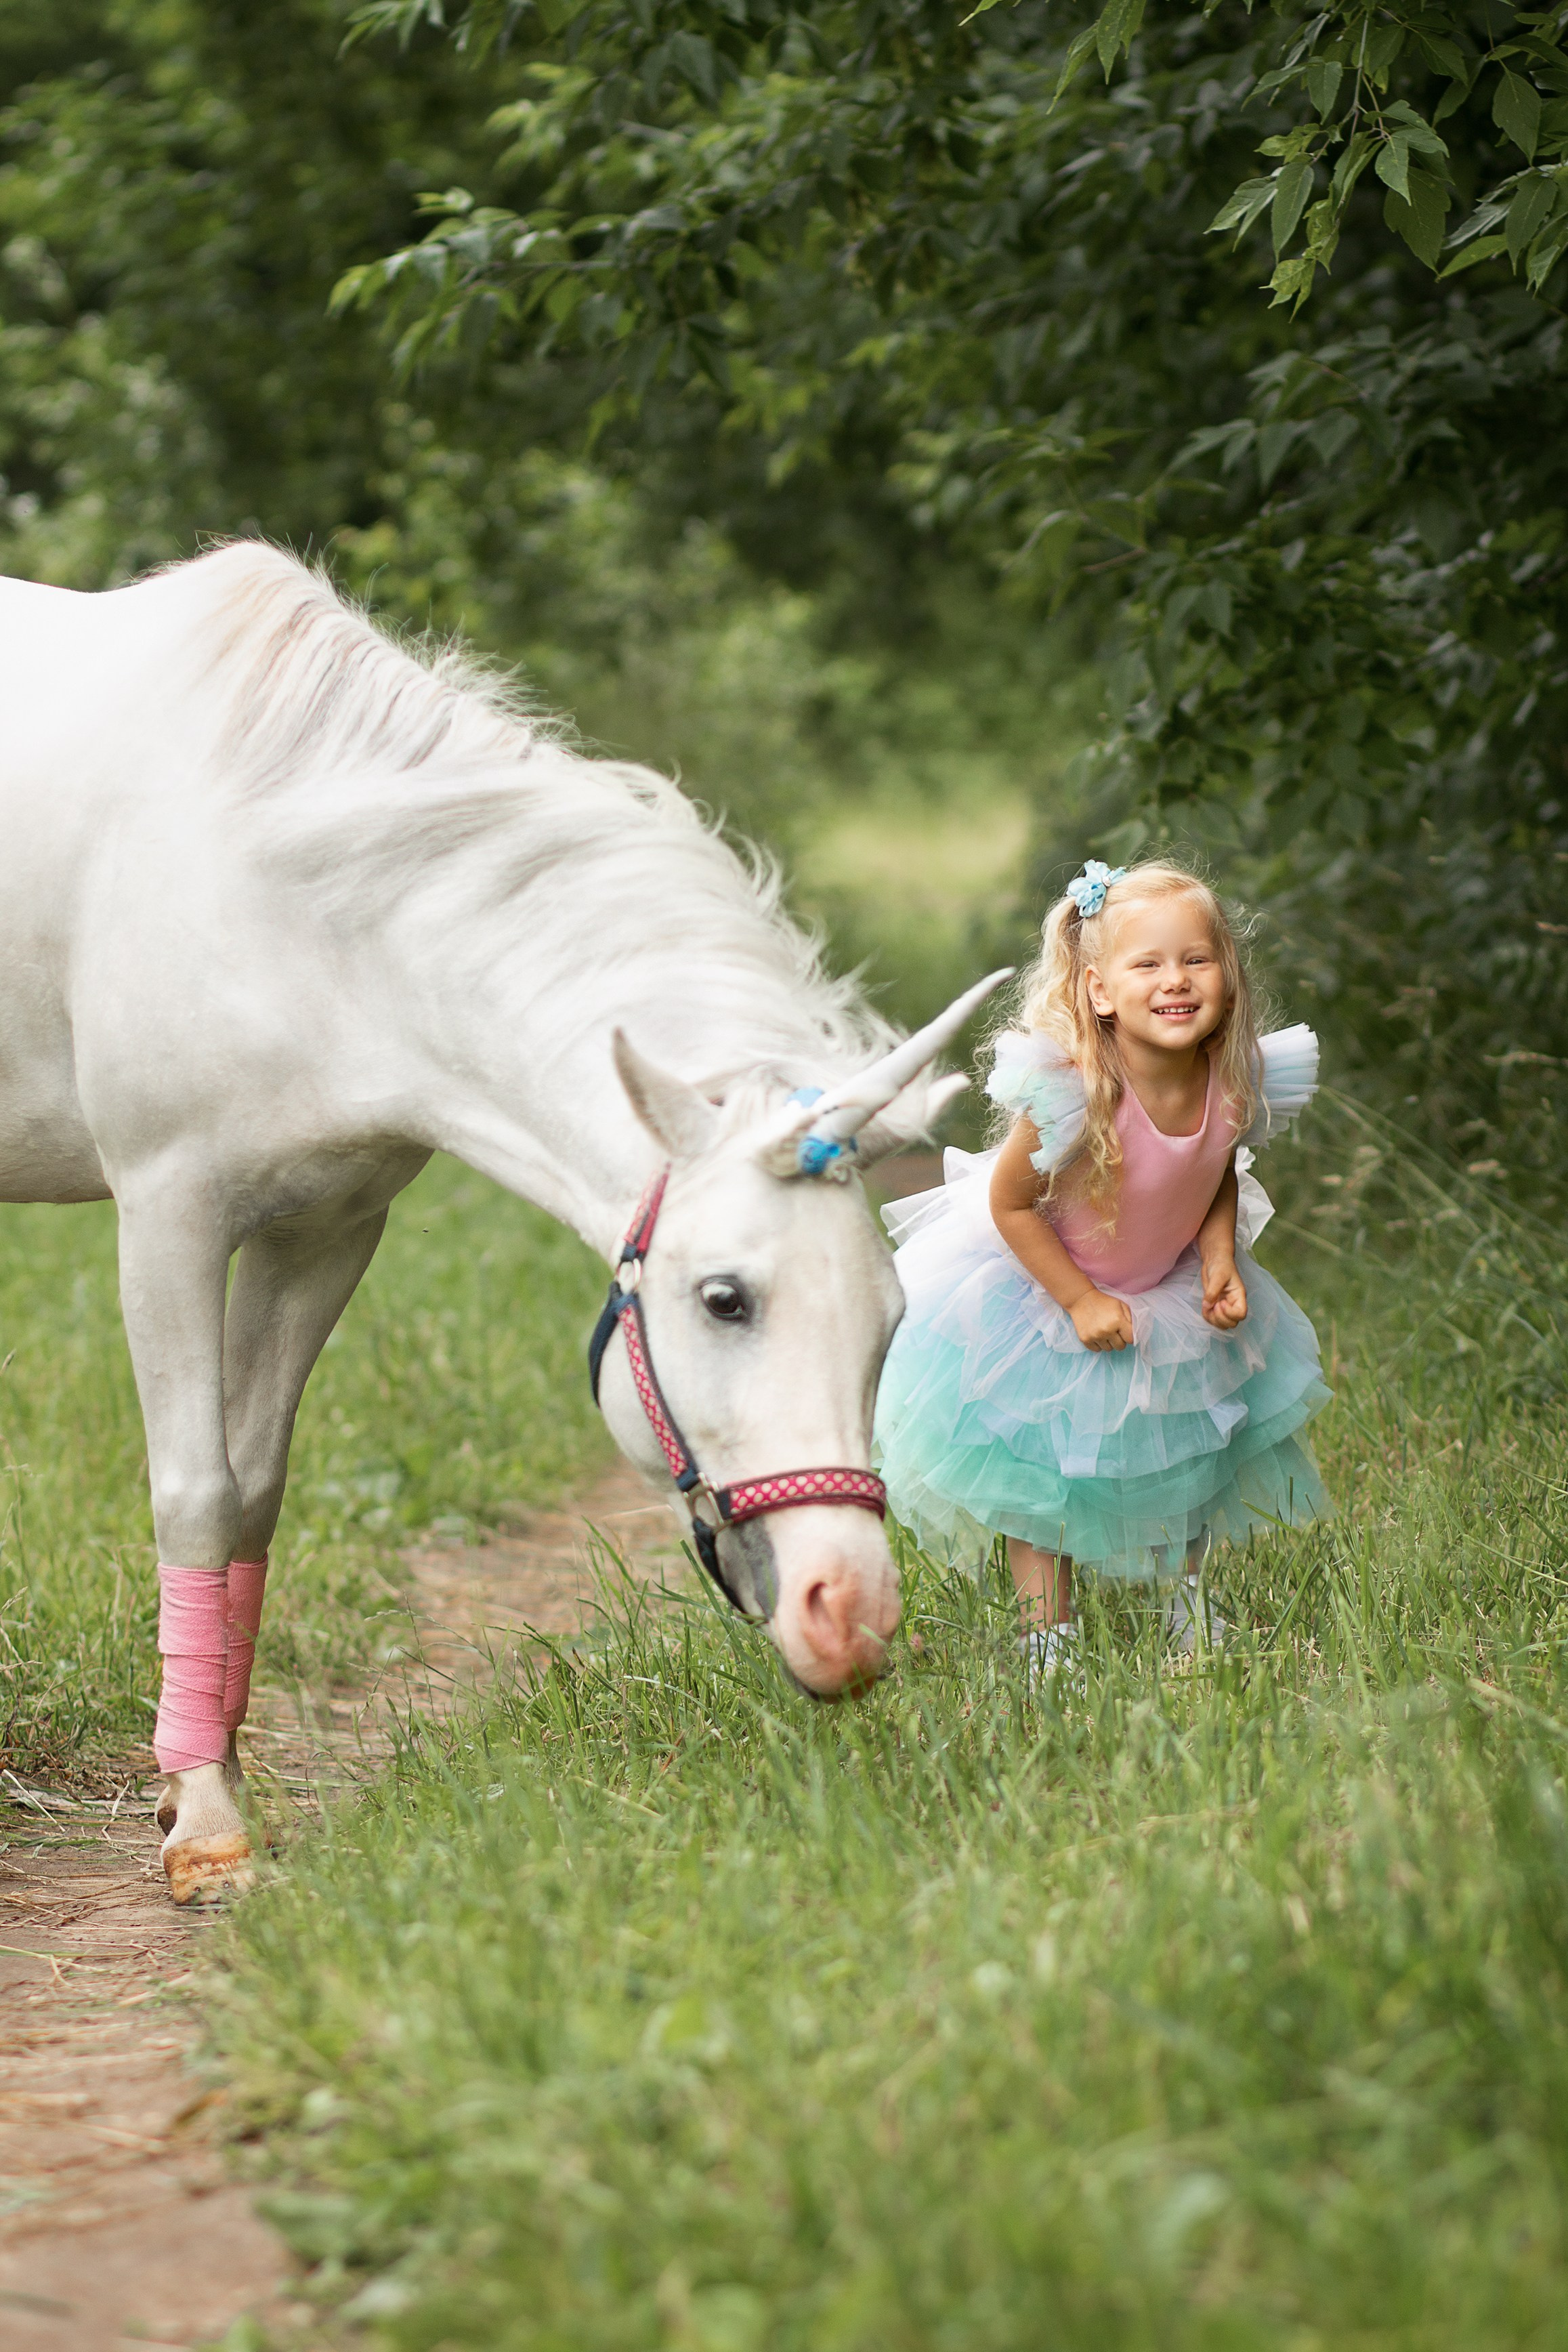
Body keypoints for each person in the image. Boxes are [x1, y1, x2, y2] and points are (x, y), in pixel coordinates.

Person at [874, 856, 1330, 1672]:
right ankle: (1047, 1641)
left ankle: (1186, 1610)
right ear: (1097, 990)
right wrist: (1078, 1298)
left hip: (1163, 1289)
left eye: (1196, 958)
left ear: (1226, 973)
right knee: (1041, 1480)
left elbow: (1217, 1166)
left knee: (1184, 1451)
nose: (1175, 980)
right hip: (1041, 1291)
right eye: (1146, 963)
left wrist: (1219, 1253)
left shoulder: (1232, 1079)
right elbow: (1008, 1205)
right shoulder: (1075, 1092)